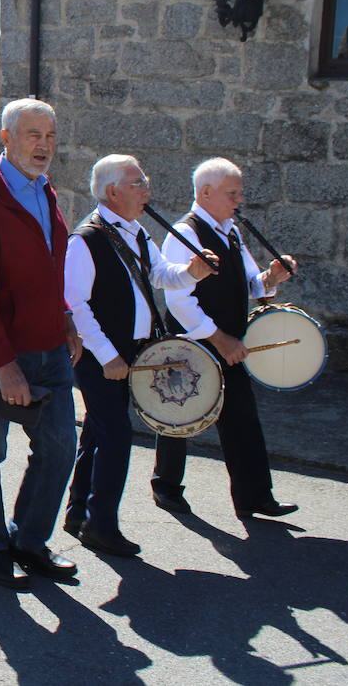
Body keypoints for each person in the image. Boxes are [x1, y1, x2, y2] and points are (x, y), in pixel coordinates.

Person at [63, 155, 217, 557]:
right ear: (112, 191)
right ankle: (101, 525)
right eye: (137, 182)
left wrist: (192, 273)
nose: (146, 187)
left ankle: (78, 511)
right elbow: (75, 305)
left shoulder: (136, 232)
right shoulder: (86, 240)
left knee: (98, 432)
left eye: (144, 180)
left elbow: (161, 275)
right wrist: (109, 356)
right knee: (116, 436)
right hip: (102, 356)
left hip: (129, 350)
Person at [0, 99, 83, 590]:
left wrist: (67, 318)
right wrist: (6, 366)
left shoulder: (43, 189)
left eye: (50, 136)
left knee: (59, 447)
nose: (44, 145)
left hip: (49, 344)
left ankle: (29, 540)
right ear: (6, 138)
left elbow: (52, 268)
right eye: (33, 135)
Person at [152, 157, 298, 520]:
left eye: (239, 192)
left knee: (242, 417)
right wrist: (219, 339)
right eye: (232, 193)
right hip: (194, 340)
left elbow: (251, 282)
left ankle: (254, 496)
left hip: (228, 340)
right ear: (206, 193)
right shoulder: (183, 234)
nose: (239, 199)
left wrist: (271, 279)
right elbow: (178, 300)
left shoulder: (231, 230)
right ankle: (166, 487)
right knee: (179, 415)